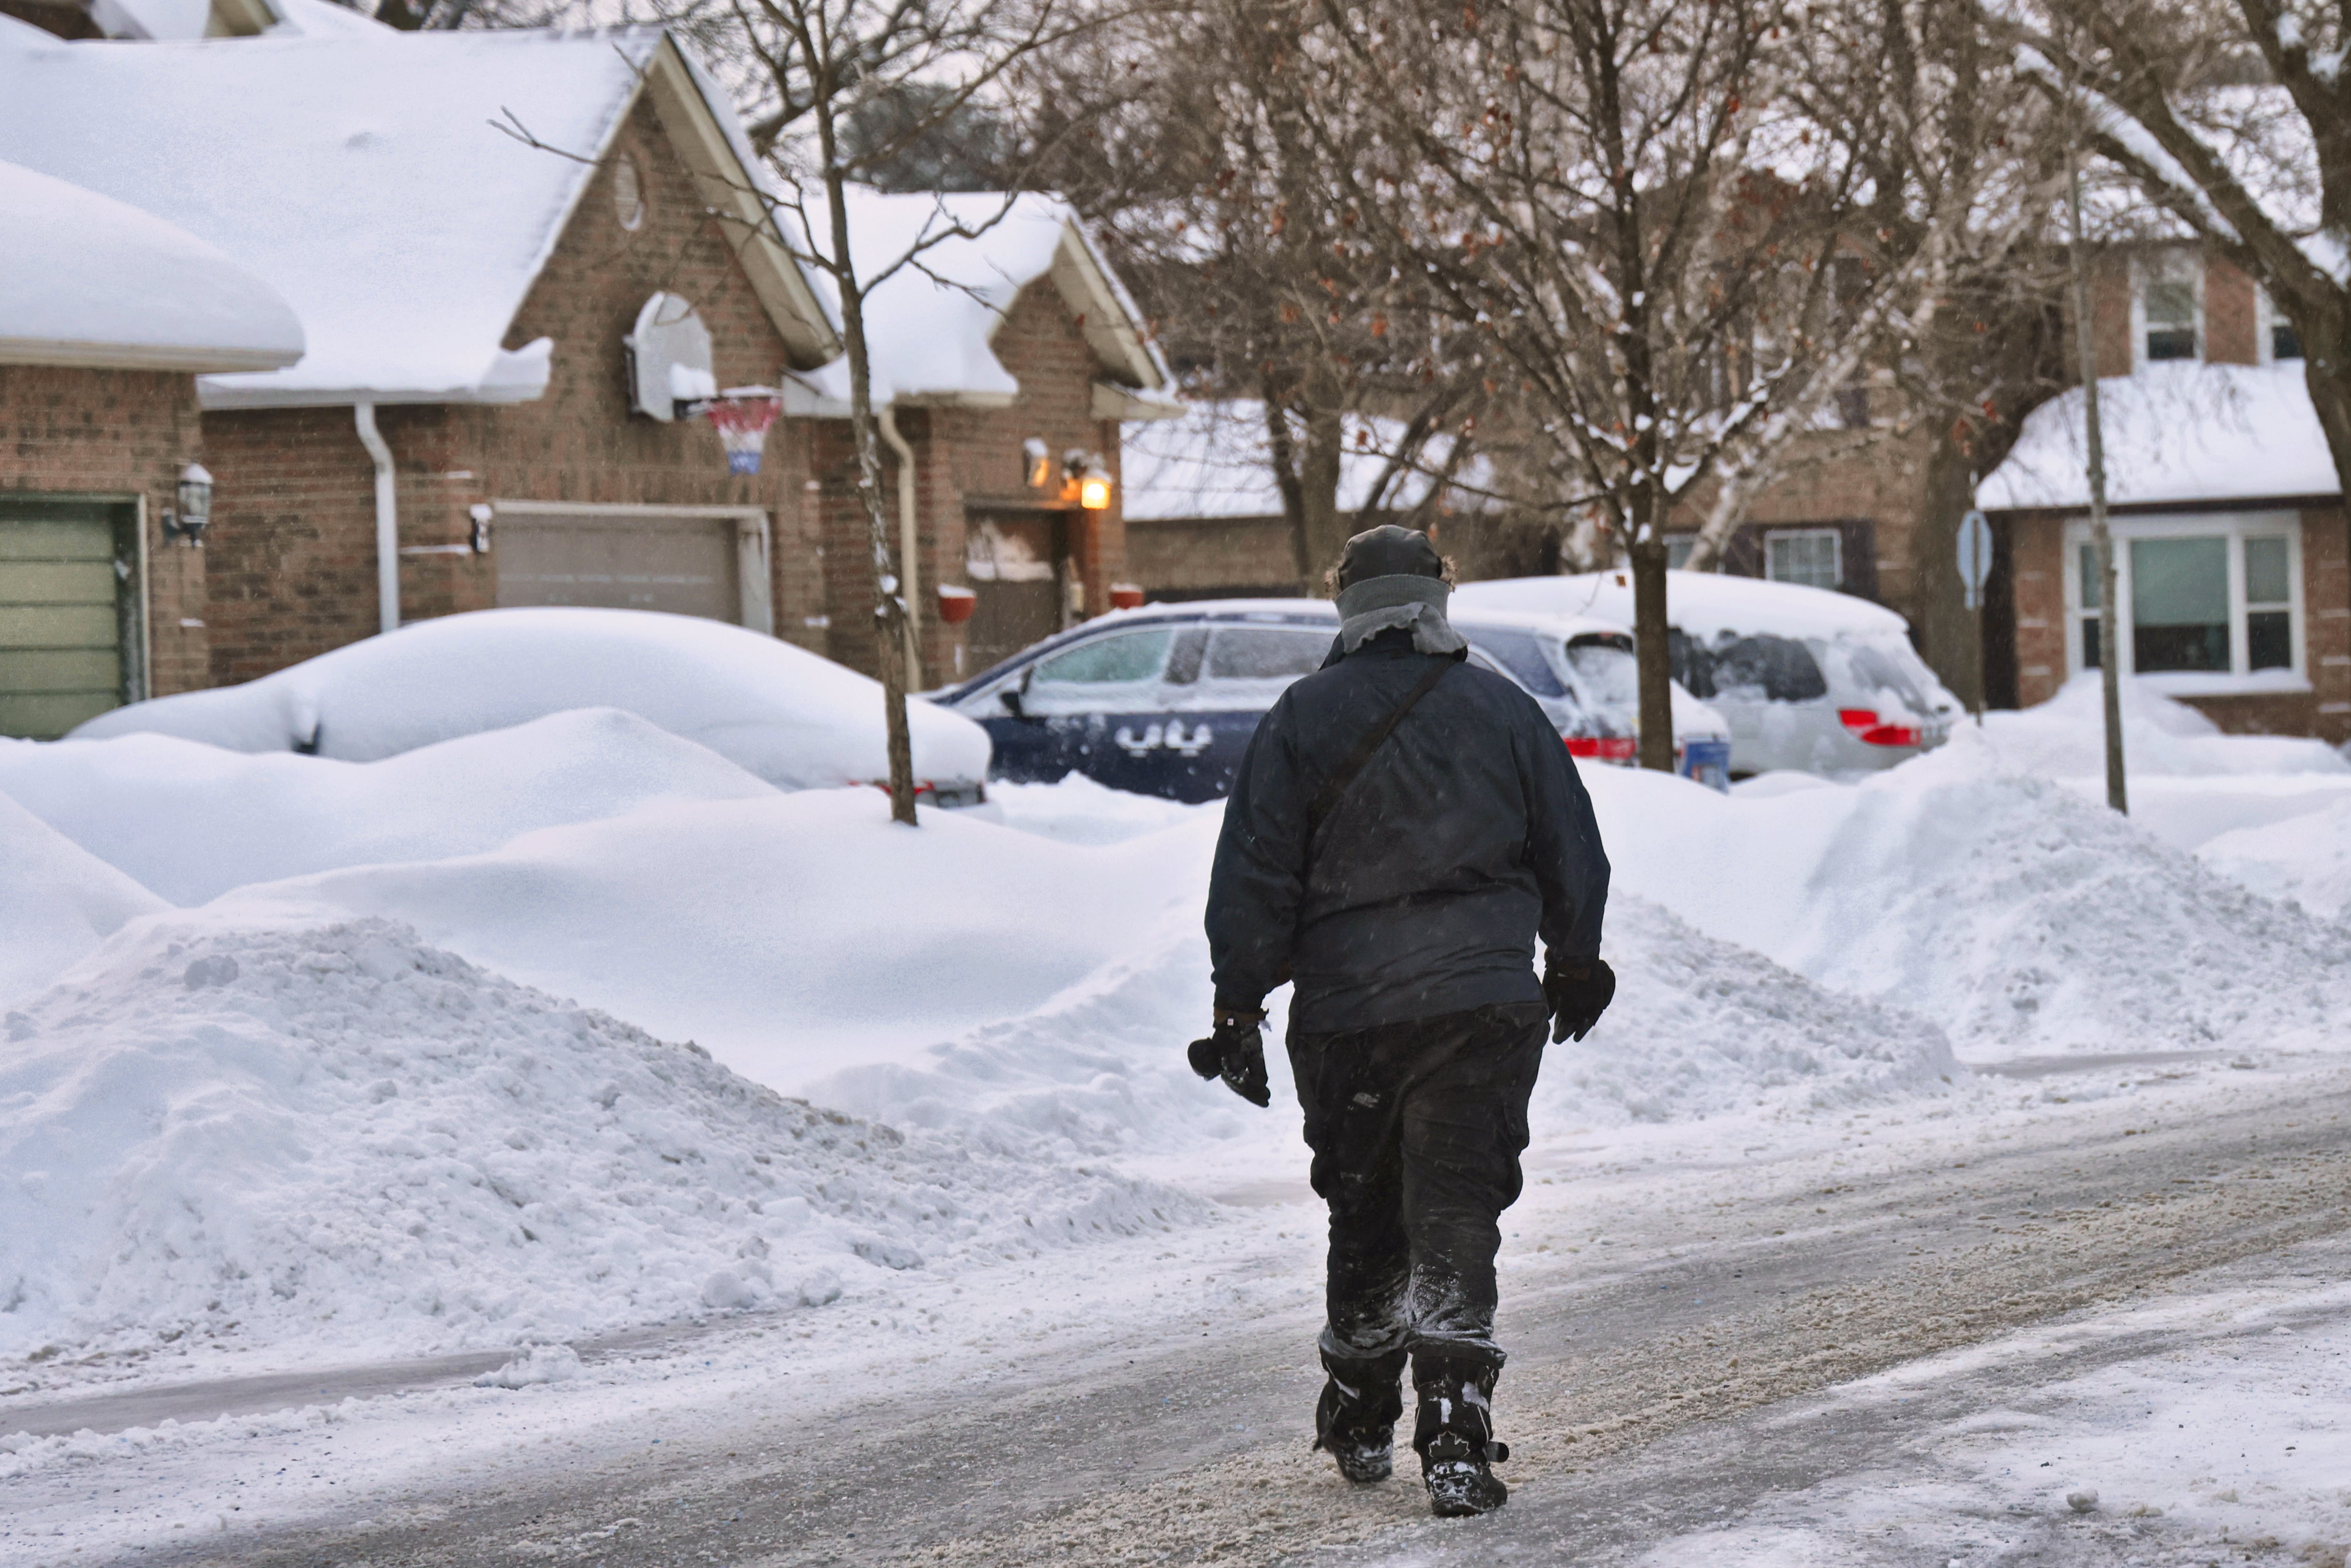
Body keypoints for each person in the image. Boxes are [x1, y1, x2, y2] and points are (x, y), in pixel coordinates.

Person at [1190, 524, 1613, 1518]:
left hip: (1348, 1019)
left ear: (1346, 604)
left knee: (1367, 1211)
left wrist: (1238, 1001)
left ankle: (1363, 1403)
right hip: (1481, 1008)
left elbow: (1252, 869)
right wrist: (1577, 956)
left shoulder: (1300, 719)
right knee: (1456, 1209)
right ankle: (1458, 1423)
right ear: (1438, 601)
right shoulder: (1503, 711)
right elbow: (1572, 842)